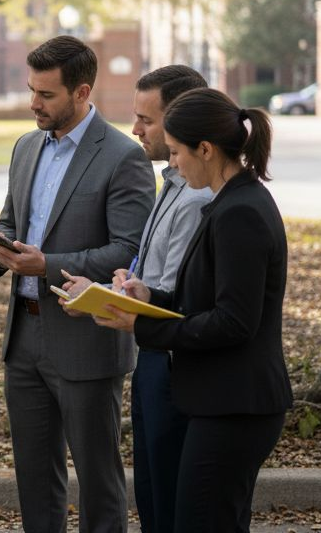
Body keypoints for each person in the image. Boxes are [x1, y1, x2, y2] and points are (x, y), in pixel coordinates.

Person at [93, 87, 292, 533]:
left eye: (179, 152)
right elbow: (203, 302)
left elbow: (234, 322)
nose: (175, 164)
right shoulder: (229, 202)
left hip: (236, 406)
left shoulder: (239, 211)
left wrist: (143, 326)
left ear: (206, 149)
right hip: (224, 402)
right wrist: (149, 298)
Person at [0, 35, 155, 533]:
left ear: (81, 93)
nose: (33, 103)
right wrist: (2, 244)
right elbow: (11, 218)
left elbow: (128, 250)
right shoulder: (25, 146)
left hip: (88, 336)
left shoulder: (123, 156)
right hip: (24, 338)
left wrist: (47, 264)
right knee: (35, 478)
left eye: (46, 95)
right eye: (31, 90)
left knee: (99, 478)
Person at [61, 65, 212, 533]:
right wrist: (125, 282)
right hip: (151, 360)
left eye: (147, 119)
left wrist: (109, 300)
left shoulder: (198, 198)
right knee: (150, 494)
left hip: (174, 363)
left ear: (182, 120)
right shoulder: (170, 183)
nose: (135, 129)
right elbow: (155, 279)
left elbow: (175, 302)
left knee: (170, 501)